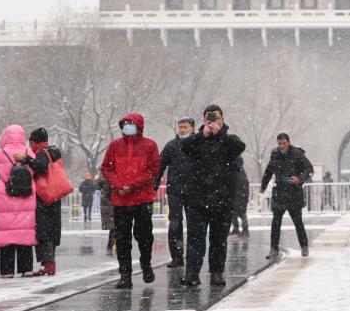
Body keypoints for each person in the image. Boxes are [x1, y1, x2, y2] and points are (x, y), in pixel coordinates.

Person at [181, 104, 245, 287]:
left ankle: (216, 273)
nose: (212, 121)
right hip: (197, 199)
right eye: (209, 118)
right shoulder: (197, 139)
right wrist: (203, 135)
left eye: (216, 117)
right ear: (203, 120)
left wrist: (220, 135)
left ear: (223, 119)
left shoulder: (229, 139)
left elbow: (239, 147)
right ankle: (192, 273)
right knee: (195, 237)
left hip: (222, 198)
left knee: (218, 239)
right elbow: (184, 147)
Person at [101, 113, 160, 289]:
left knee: (144, 236)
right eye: (125, 124)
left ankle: (146, 264)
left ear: (139, 126)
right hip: (120, 201)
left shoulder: (150, 145)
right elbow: (106, 168)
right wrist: (118, 185)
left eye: (131, 123)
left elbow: (153, 170)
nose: (128, 126)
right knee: (122, 238)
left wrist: (133, 185)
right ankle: (125, 274)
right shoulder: (115, 146)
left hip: (142, 199)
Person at [0, 125, 37, 278]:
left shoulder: (0, 154)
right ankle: (26, 269)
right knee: (24, 235)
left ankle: (7, 271)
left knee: (7, 236)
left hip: (5, 196)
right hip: (26, 195)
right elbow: (36, 168)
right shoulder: (28, 153)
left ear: (6, 136)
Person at [260, 132, 313, 260]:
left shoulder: (297, 154)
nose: (281, 146)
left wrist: (299, 179)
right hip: (279, 192)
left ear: (288, 142)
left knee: (298, 222)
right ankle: (274, 249)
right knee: (276, 222)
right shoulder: (275, 154)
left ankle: (304, 246)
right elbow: (268, 171)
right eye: (279, 144)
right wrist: (263, 185)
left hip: (294, 193)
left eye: (284, 143)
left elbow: (309, 168)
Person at [21, 128, 63, 276]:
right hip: (54, 195)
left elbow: (42, 167)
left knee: (44, 231)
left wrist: (27, 159)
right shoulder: (53, 151)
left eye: (31, 142)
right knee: (51, 231)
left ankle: (48, 265)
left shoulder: (41, 152)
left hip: (44, 197)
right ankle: (48, 264)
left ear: (33, 142)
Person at [155, 117, 196, 268]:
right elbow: (160, 165)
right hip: (175, 191)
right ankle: (177, 257)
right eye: (180, 127)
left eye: (185, 127)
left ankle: (193, 257)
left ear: (192, 128)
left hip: (194, 191)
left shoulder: (198, 144)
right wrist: (155, 183)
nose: (182, 130)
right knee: (174, 224)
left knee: (194, 225)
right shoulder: (171, 146)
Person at [231, 156, 250, 237]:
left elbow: (242, 184)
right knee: (234, 212)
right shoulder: (239, 171)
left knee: (241, 213)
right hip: (237, 196)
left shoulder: (239, 171)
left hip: (240, 196)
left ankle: (245, 229)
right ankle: (236, 228)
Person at [96, 173, 115, 255]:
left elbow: (97, 185)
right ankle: (113, 245)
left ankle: (110, 245)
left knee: (113, 226)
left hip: (107, 202)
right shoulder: (112, 172)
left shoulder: (104, 172)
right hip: (113, 201)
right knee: (116, 225)